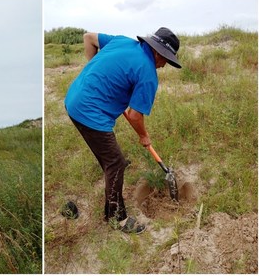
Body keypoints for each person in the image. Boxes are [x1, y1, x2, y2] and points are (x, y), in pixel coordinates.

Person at [64, 27, 182, 234]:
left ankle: (111, 169)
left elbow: (89, 38)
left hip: (73, 99)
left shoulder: (123, 42)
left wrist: (92, 69)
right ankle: (117, 217)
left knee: (111, 158)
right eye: (166, 60)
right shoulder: (148, 75)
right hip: (89, 112)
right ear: (157, 52)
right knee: (116, 162)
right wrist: (144, 136)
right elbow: (135, 115)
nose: (164, 66)